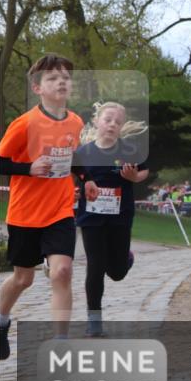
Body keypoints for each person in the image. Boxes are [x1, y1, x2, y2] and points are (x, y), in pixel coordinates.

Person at [0, 54, 84, 360]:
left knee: (61, 271)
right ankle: (0, 321)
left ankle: (61, 344)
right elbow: (0, 161)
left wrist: (84, 178)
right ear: (37, 88)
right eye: (52, 78)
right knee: (24, 278)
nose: (61, 81)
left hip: (60, 210)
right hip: (24, 213)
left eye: (65, 77)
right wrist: (28, 168)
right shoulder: (24, 124)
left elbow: (75, 160)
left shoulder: (76, 122)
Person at [74, 102, 149, 337]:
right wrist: (80, 187)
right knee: (95, 267)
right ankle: (94, 320)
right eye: (108, 119)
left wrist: (134, 176)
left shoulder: (129, 150)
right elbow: (74, 174)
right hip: (91, 218)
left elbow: (144, 171)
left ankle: (125, 258)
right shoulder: (83, 153)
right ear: (97, 121)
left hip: (120, 217)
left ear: (122, 126)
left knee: (116, 273)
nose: (112, 125)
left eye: (117, 121)